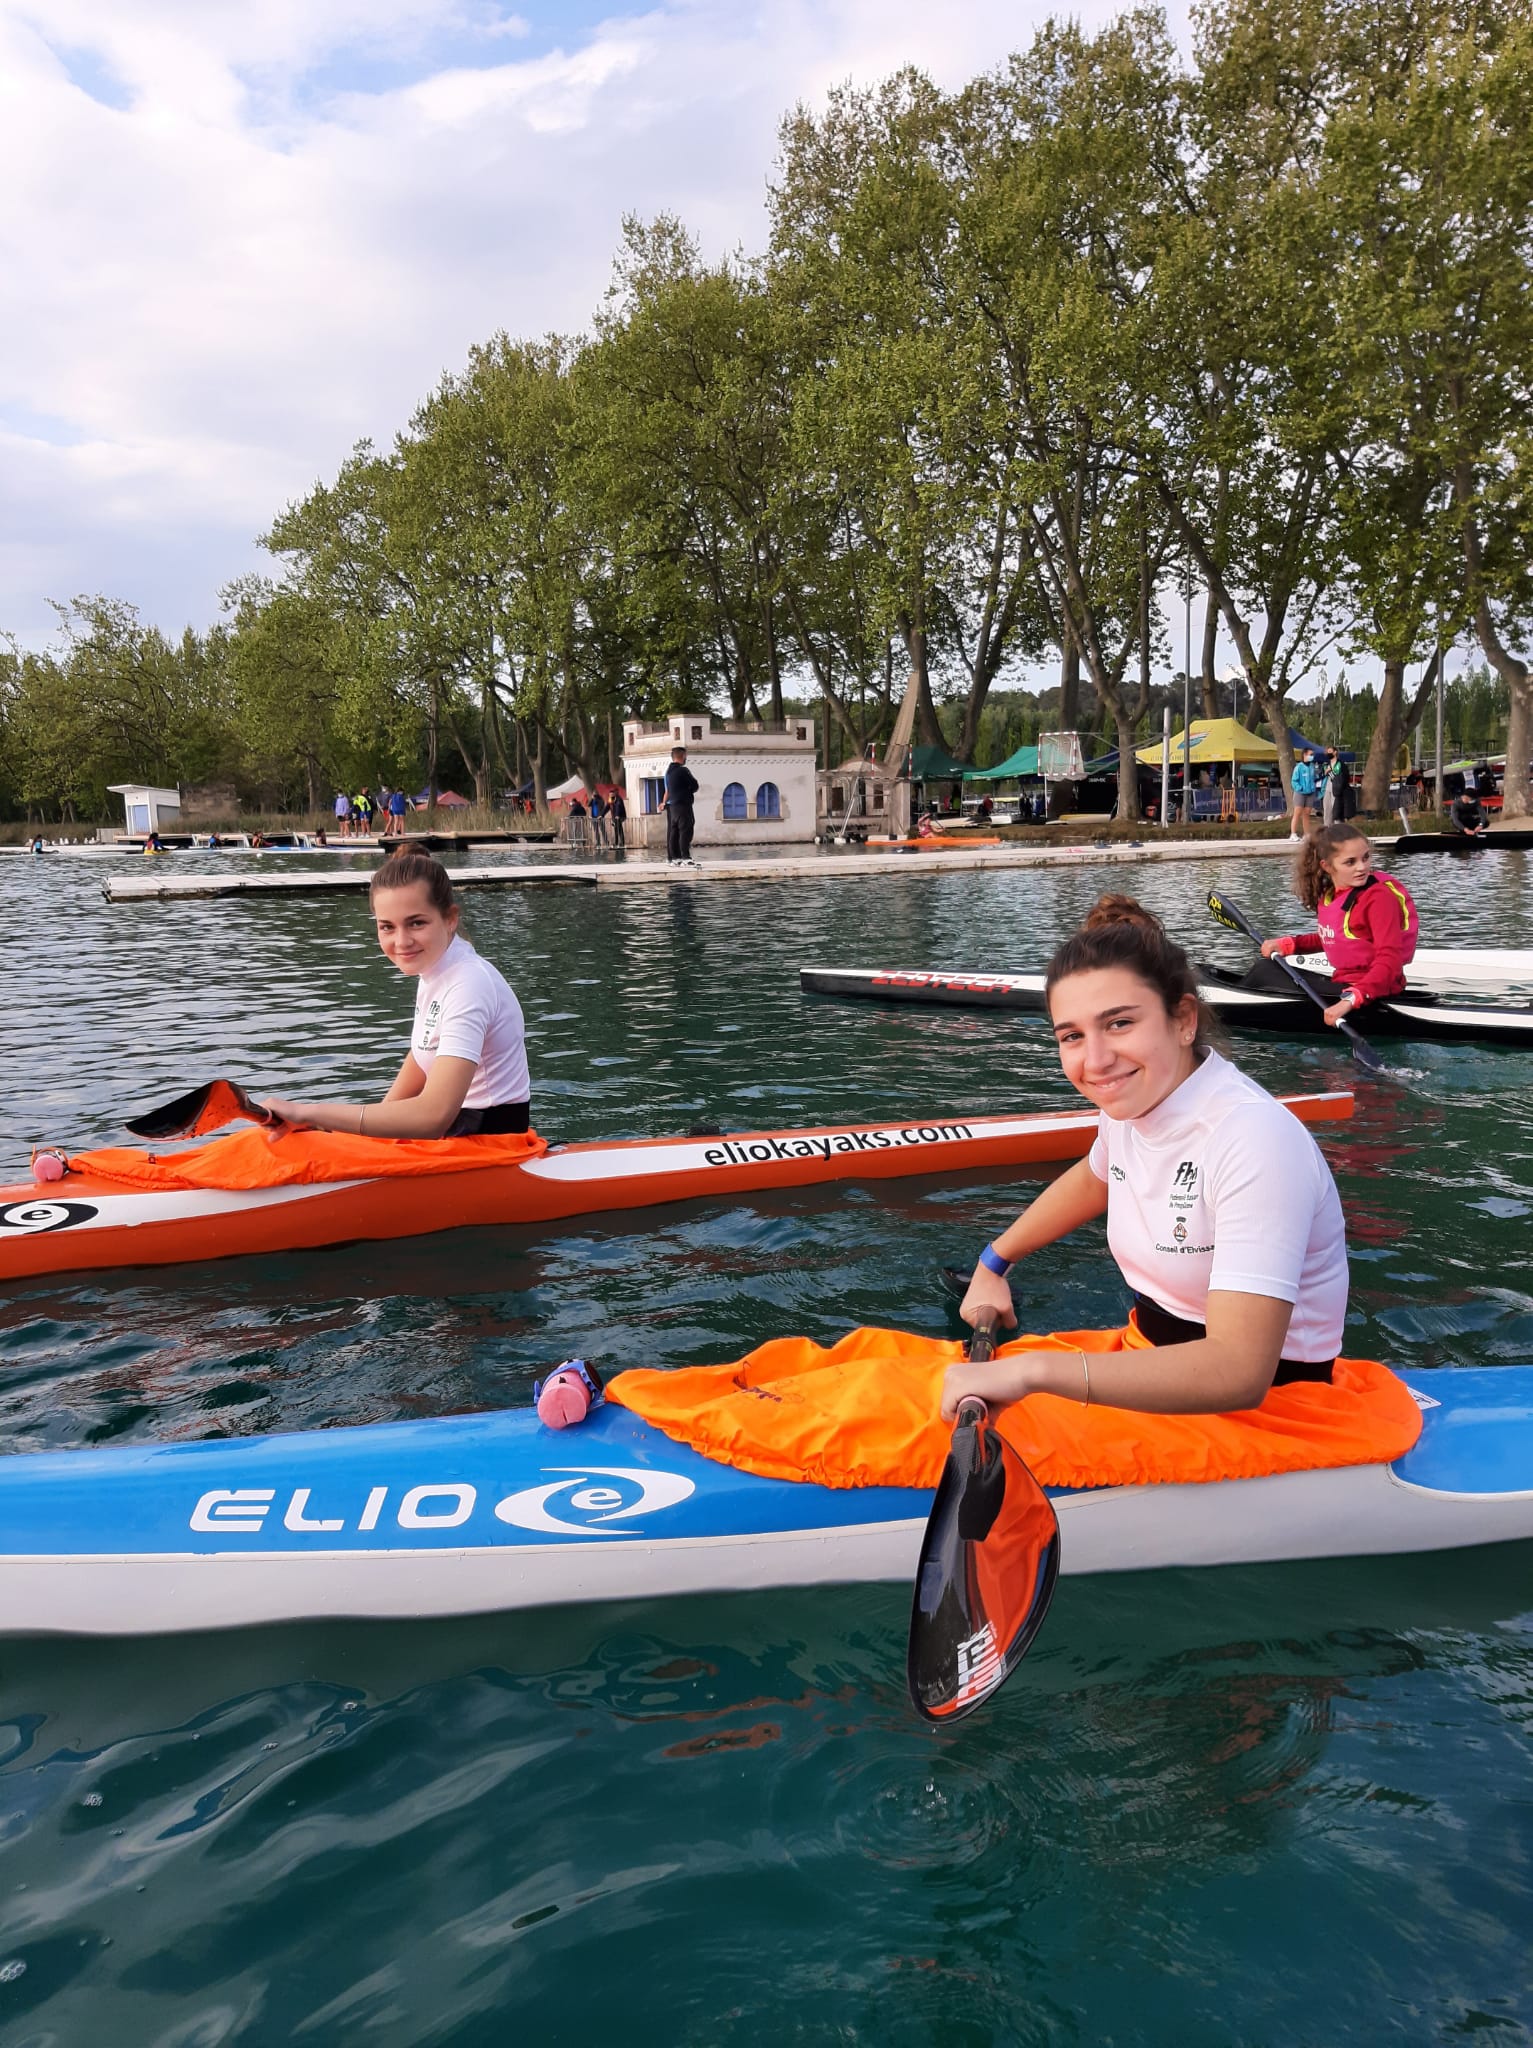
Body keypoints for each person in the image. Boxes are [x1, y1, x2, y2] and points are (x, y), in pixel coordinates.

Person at [944, 896, 1348, 1421]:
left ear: (1183, 1019)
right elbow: (1095, 1179)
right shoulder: (1133, 1104)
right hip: (1150, 1355)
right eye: (1072, 1035)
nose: (1096, 1061)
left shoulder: (1252, 1138)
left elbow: (1239, 1371)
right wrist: (993, 1262)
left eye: (1118, 1024)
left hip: (1268, 1412)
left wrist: (1032, 1373)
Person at [260, 849, 530, 1139]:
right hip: (457, 1131)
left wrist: (308, 1112)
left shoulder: (468, 984)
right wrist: (368, 1126)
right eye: (387, 927)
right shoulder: (436, 966)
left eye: (416, 923)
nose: (401, 942)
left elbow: (433, 1117)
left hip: (487, 1141)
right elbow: (423, 1051)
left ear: (450, 919)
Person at [1258, 822, 1419, 1027]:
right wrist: (1289, 944)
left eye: (1366, 858)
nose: (1362, 867)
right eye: (1350, 862)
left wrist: (1351, 1000)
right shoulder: (1331, 895)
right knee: (1266, 968)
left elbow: (1391, 959)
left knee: (1265, 973)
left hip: (1374, 992)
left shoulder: (1379, 898)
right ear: (1327, 866)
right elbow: (1339, 936)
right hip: (1344, 986)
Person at [662, 744, 699, 865]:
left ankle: (674, 858)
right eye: (685, 756)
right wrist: (689, 790)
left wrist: (663, 802)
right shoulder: (683, 770)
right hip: (683, 804)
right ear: (682, 756)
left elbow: (668, 790)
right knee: (685, 830)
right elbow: (695, 785)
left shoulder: (668, 772)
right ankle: (686, 857)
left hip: (673, 806)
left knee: (674, 831)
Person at [1288, 751, 1317, 840]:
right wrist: (1300, 788)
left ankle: (1306, 834)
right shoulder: (1299, 767)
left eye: (1312, 754)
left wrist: (1313, 788)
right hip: (1300, 793)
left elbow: (1314, 778)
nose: (1312, 756)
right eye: (1310, 754)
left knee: (1307, 814)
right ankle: (1293, 834)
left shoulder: (1312, 766)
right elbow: (1294, 780)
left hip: (1310, 793)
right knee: (1297, 813)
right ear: (1304, 755)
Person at [609, 786, 627, 850]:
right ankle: (617, 843)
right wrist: (602, 815)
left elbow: (618, 807)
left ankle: (620, 843)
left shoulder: (619, 799)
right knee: (617, 829)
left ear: (615, 793)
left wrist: (617, 815)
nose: (610, 795)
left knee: (619, 829)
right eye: (610, 794)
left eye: (612, 794)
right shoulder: (611, 799)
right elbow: (607, 807)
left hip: (620, 816)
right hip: (615, 817)